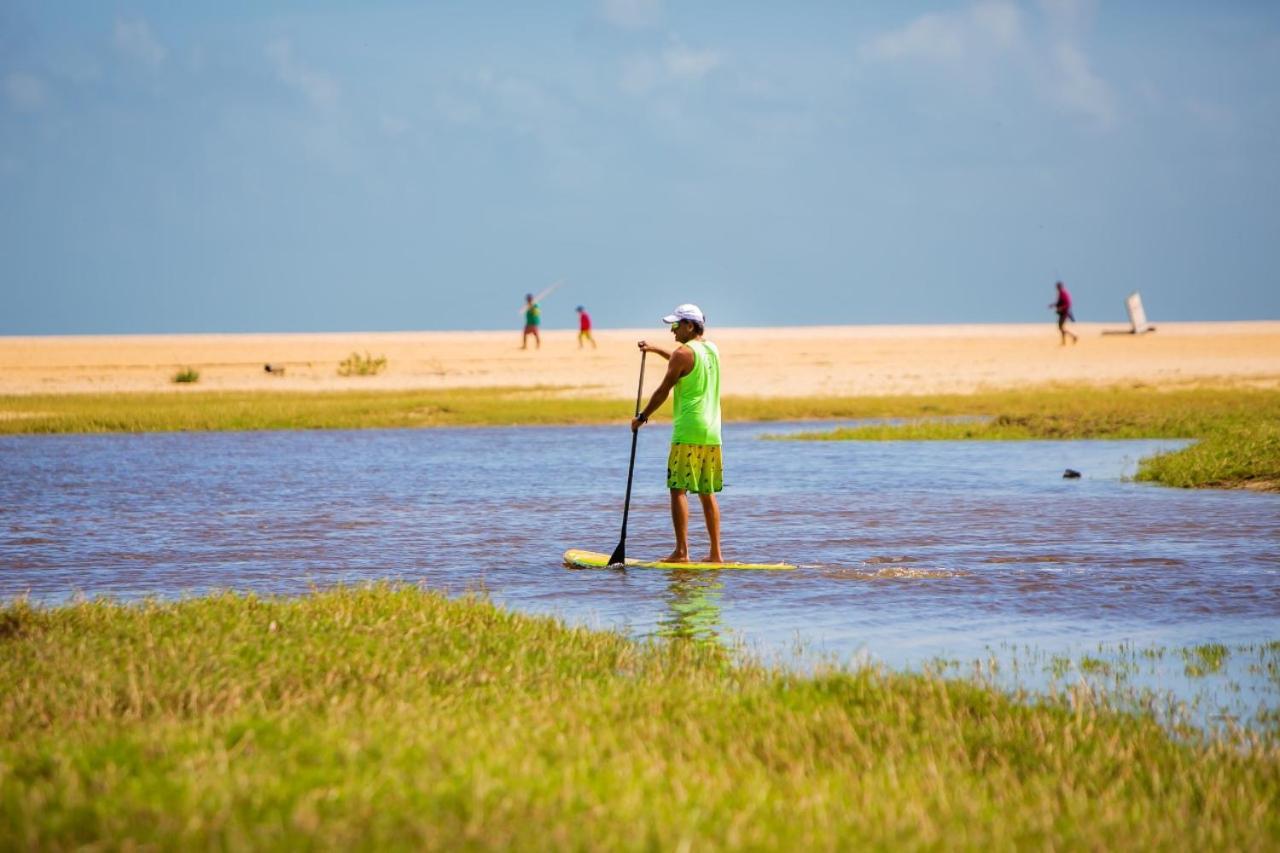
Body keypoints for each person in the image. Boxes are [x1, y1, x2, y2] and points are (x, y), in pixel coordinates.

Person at [631, 303, 723, 563]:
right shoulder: (711, 349)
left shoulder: (683, 354)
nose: (672, 331)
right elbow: (682, 360)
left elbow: (663, 390)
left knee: (678, 488)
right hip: (712, 432)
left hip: (688, 430)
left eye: (675, 325)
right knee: (706, 491)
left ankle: (681, 552)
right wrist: (655, 349)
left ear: (690, 326)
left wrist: (642, 417)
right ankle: (716, 553)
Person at [1049, 281, 1078, 345]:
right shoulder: (1061, 293)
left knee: (1060, 327)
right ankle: (1065, 341)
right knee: (1061, 327)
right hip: (1062, 313)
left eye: (1057, 287)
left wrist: (1061, 308)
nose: (1056, 288)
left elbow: (1067, 304)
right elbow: (1059, 303)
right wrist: (1053, 305)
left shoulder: (1063, 294)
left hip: (1064, 313)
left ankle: (1072, 337)